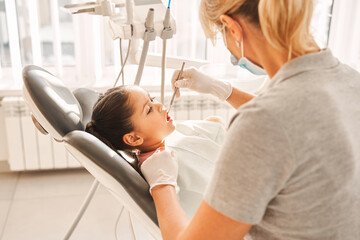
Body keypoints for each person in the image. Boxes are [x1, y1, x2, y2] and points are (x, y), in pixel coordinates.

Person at [139, 0, 360, 239]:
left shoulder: (262, 124)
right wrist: (221, 89)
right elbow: (299, 120)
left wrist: (162, 185)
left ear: (232, 27)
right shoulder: (350, 81)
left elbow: (275, 121)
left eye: (220, 36)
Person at [85, 85, 227, 216]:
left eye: (152, 99)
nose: (159, 105)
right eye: (149, 110)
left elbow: (215, 126)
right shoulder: (159, 169)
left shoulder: (166, 136)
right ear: (134, 139)